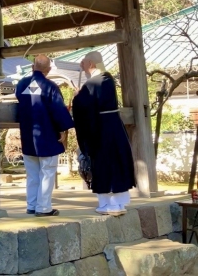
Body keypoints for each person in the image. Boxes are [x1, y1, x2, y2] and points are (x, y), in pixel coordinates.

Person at [72, 51, 135, 216]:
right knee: (117, 162)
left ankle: (109, 205)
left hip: (101, 130)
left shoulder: (92, 83)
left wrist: (77, 97)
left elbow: (82, 105)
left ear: (91, 64)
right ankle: (119, 204)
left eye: (84, 63)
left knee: (105, 164)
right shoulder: (108, 79)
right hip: (115, 126)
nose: (82, 66)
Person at [15, 54, 74, 217]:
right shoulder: (50, 86)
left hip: (28, 135)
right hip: (47, 135)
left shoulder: (21, 84)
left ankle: (32, 205)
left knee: (32, 174)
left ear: (33, 67)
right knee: (47, 172)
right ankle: (43, 208)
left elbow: (21, 100)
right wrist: (63, 130)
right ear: (48, 70)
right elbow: (58, 110)